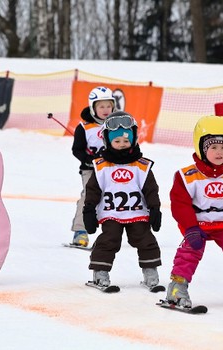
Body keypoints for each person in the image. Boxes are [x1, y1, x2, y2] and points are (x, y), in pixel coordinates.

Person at [163, 115, 223, 308]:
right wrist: (190, 228)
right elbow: (179, 203)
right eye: (213, 147)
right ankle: (177, 288)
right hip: (197, 224)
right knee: (190, 251)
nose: (219, 152)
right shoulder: (187, 176)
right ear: (201, 148)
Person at [83, 111, 163, 288]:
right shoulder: (102, 166)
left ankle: (151, 272)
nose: (121, 144)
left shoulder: (141, 166)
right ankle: (100, 272)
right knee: (109, 240)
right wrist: (88, 209)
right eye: (117, 141)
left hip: (137, 213)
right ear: (107, 141)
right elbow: (93, 190)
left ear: (133, 141)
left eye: (126, 141)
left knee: (146, 240)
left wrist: (155, 208)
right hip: (111, 213)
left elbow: (151, 189)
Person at [70, 86, 116, 247]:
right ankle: (80, 231)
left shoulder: (116, 125)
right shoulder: (84, 128)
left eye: (109, 106)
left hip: (111, 169)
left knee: (111, 198)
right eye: (101, 106)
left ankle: (111, 233)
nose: (105, 110)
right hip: (90, 170)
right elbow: (77, 150)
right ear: (93, 107)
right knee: (88, 196)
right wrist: (88, 159)